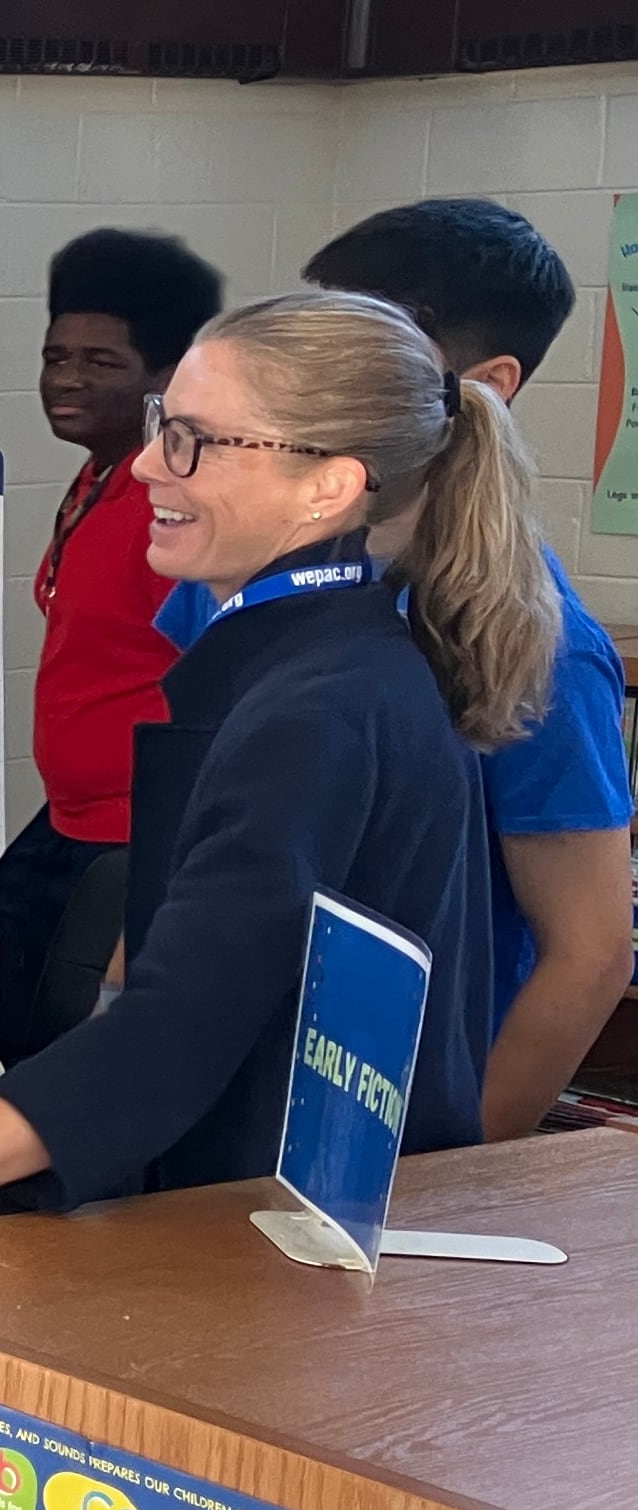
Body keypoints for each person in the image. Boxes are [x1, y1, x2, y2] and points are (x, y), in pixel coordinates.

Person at [0, 289, 558, 1259]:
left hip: (279, 1244)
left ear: (324, 486)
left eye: (194, 439)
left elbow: (187, 1020)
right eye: (161, 424)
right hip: (276, 1218)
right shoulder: (331, 661)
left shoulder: (313, 705)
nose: (148, 463)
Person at [154, 201, 630, 1138]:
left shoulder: (532, 643)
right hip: (218, 1096)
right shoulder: (238, 576)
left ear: (482, 385)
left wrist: (453, 1166)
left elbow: (590, 950)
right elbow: (182, 842)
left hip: (381, 1134)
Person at [0, 230, 224, 1060]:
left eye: (100, 360)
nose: (66, 379)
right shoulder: (99, 477)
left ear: (166, 377)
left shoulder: (172, 504)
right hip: (71, 819)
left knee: (71, 1060)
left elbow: (217, 679)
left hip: (136, 833)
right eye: (56, 356)